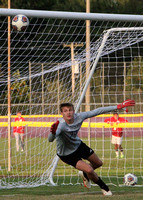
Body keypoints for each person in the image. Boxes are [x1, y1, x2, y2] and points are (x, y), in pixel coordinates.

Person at [48, 100, 135, 196]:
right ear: (62, 113)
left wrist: (117, 106)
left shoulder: (79, 117)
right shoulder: (60, 125)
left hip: (78, 146)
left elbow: (97, 111)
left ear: (74, 111)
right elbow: (50, 140)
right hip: (66, 154)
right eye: (65, 111)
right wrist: (52, 133)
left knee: (98, 163)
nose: (68, 112)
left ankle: (84, 174)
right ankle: (104, 188)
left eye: (70, 110)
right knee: (89, 169)